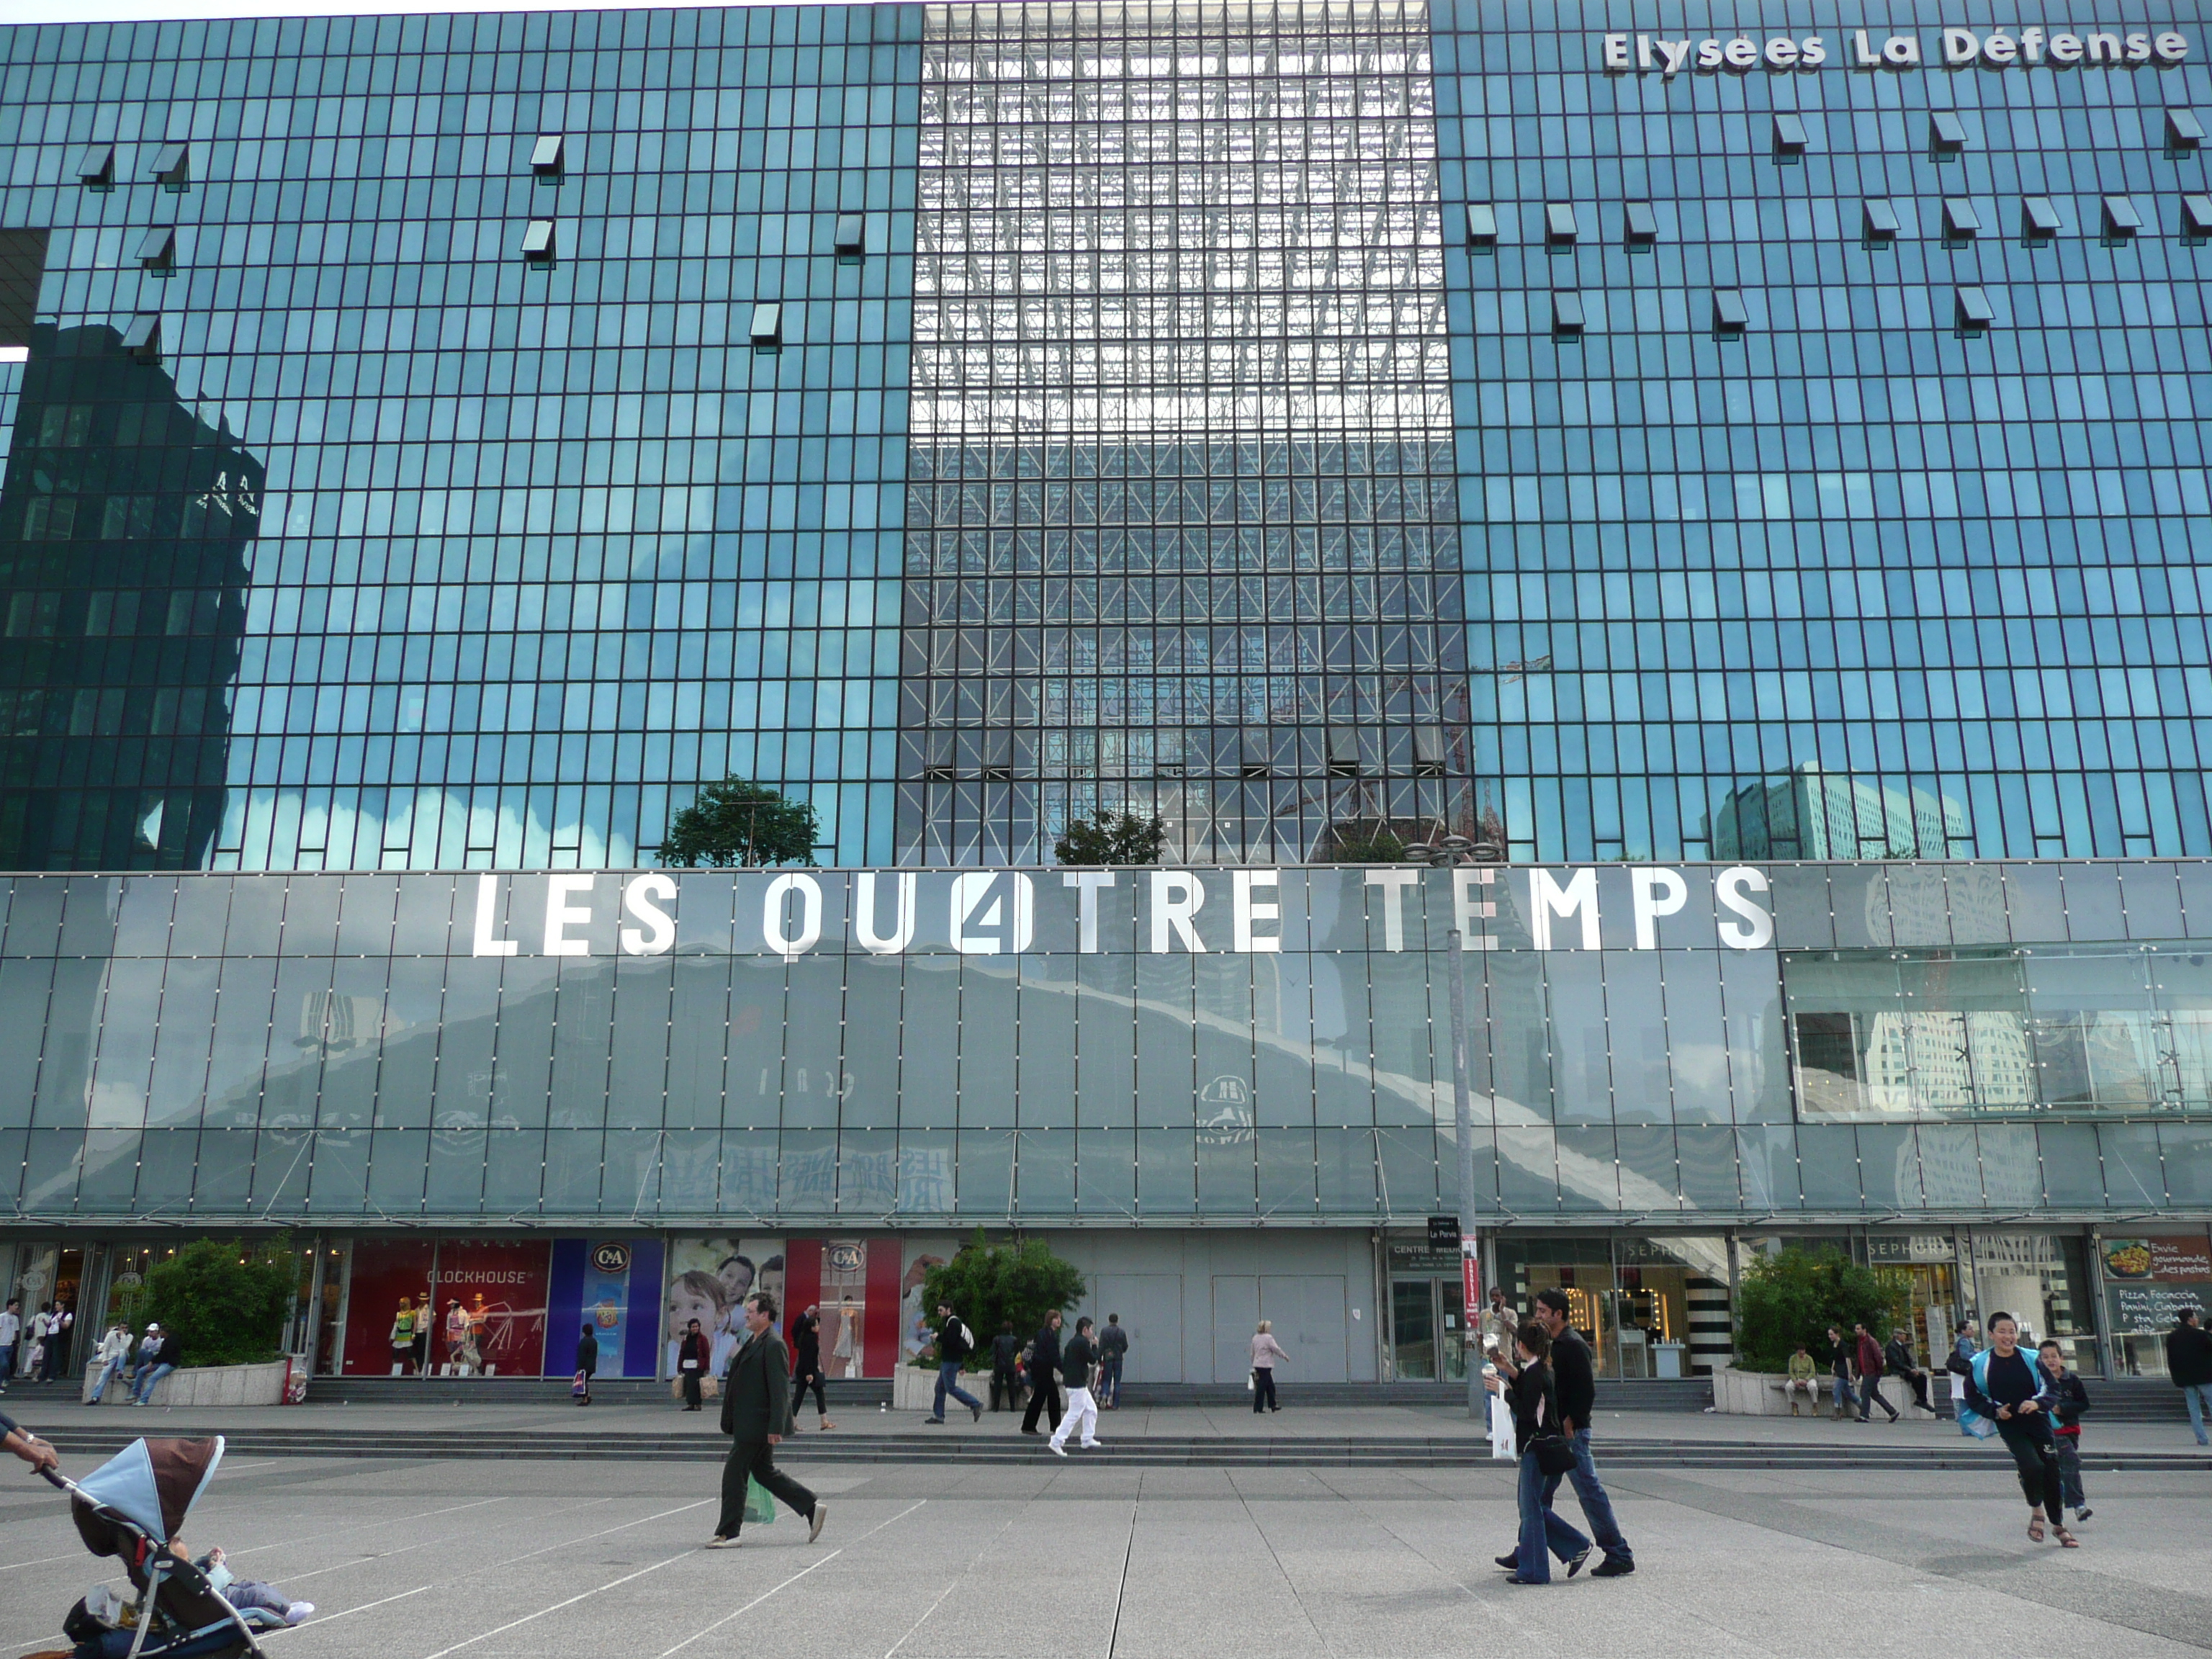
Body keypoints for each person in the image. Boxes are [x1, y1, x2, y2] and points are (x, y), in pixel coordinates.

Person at [1497, 1289, 1634, 1576]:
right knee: (1536, 1498)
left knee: (1587, 1492)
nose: (1538, 1316)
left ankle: (1618, 1552)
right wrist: (1511, 1370)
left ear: (1559, 1314)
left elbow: (1586, 1391)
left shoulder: (1572, 1345)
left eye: (1543, 1311)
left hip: (1571, 1435)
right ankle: (1527, 1551)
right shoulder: (1550, 1344)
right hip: (1553, 1434)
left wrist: (1572, 1421)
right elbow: (1538, 1386)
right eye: (1538, 1310)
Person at [710, 1291, 827, 1550]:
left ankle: (729, 1533)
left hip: (758, 1423)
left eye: (751, 1311)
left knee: (734, 1472)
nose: (747, 1315)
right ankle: (811, 1507)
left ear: (765, 1315)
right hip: (747, 1420)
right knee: (764, 1472)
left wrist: (776, 1426)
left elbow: (779, 1388)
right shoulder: (753, 1341)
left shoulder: (774, 1344)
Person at [1962, 1310, 2075, 1547]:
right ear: (1991, 1334)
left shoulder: (2032, 1358)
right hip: (2010, 1425)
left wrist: (2037, 1403)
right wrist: (1995, 1412)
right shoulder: (1980, 1364)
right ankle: (2037, 1511)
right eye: (2002, 1331)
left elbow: (2052, 1387)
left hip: (2039, 1422)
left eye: (2012, 1331)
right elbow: (1972, 1397)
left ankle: (2058, 1525)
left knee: (2052, 1471)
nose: (2008, 1336)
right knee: (2031, 1466)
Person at [1485, 1318, 1585, 1585]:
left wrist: (1504, 1391)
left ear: (1520, 1345)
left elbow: (1527, 1410)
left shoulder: (1537, 1372)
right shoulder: (1541, 1367)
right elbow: (1531, 1387)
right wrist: (1509, 1370)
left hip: (1537, 1447)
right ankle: (1574, 1547)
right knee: (1534, 1507)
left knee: (1530, 1510)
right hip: (1546, 1447)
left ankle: (1535, 1569)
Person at [177, 1543, 314, 1627]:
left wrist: (207, 1560)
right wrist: (218, 1567)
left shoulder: (172, 1576)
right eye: (185, 1560)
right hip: (214, 1602)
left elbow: (197, 1573)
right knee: (256, 1594)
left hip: (219, 1592)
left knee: (253, 1585)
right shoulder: (174, 1582)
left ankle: (284, 1605)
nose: (188, 1562)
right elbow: (207, 1586)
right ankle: (287, 1613)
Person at [2038, 1339, 2092, 1524]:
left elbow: (2084, 1404)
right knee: (2071, 1460)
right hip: (2049, 1432)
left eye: (2054, 1356)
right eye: (2045, 1357)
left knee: (2063, 1469)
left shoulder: (2072, 1380)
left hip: (2070, 1430)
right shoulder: (2037, 1381)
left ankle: (2054, 1503)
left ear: (2061, 1358)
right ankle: (2078, 1505)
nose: (2050, 1360)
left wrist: (2062, 1408)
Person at [1048, 1316, 1105, 1455]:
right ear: (1085, 1330)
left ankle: (1087, 1438)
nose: (1092, 1332)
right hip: (1077, 1384)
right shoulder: (1082, 1342)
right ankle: (1056, 1441)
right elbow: (1093, 1359)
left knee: (1091, 1409)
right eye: (1091, 1329)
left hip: (1075, 1383)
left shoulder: (1073, 1342)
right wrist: (1096, 1346)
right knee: (1074, 1413)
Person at [925, 1303, 984, 1424]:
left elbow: (950, 1342)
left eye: (941, 1310)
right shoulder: (951, 1322)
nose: (939, 1313)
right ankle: (938, 1416)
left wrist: (938, 1337)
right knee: (940, 1388)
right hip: (950, 1360)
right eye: (938, 1310)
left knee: (950, 1388)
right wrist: (961, 1365)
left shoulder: (953, 1323)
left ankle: (975, 1404)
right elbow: (957, 1344)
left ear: (948, 1310)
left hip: (950, 1361)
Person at [2164, 1307, 2212, 1446]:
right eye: (2196, 1317)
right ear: (2190, 1319)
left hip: (2185, 1378)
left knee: (2194, 1409)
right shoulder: (2201, 1335)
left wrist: (2176, 1378)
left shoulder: (2172, 1337)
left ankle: (2202, 1438)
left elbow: (2171, 1359)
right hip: (2205, 1377)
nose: (2197, 1319)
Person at [788, 1304, 835, 1431]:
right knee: (816, 1394)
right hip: (808, 1372)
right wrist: (810, 1372)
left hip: (805, 1371)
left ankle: (793, 1422)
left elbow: (808, 1357)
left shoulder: (806, 1337)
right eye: (816, 1325)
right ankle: (823, 1421)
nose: (818, 1327)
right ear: (812, 1327)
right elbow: (807, 1357)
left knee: (800, 1396)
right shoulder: (810, 1339)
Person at [1020, 1310, 1064, 1436]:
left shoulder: (1043, 1333)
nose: (1058, 1321)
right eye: (1056, 1318)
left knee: (1050, 1397)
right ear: (1050, 1320)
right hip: (1044, 1369)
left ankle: (1051, 1426)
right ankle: (1031, 1425)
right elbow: (1053, 1355)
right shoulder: (1050, 1335)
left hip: (1041, 1369)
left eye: (1059, 1318)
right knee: (1045, 1398)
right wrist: (1063, 1369)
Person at [1853, 1322, 1897, 1424]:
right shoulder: (1861, 1342)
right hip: (1867, 1372)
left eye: (1858, 1329)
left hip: (1872, 1372)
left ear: (1864, 1330)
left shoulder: (1871, 1341)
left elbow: (1878, 1356)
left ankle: (1864, 1415)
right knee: (1875, 1394)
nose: (1856, 1331)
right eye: (1856, 1329)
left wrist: (1879, 1371)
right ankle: (1892, 1412)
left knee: (1864, 1392)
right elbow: (1860, 1358)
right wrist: (1858, 1373)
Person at [1885, 1328, 1933, 1414]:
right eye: (1903, 1335)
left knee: (1922, 1377)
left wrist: (1914, 1369)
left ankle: (1922, 1400)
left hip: (1907, 1369)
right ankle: (1921, 1399)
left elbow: (1910, 1359)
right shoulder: (1891, 1346)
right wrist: (1910, 1370)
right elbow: (1896, 1362)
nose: (1905, 1337)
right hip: (1898, 1370)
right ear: (1898, 1336)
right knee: (1914, 1378)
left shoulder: (1903, 1346)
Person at [130, 1323, 179, 1406]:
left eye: (161, 1332)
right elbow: (161, 1354)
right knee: (141, 1371)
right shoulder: (166, 1341)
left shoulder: (171, 1342)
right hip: (161, 1362)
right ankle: (136, 1392)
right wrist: (153, 1362)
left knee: (152, 1379)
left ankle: (144, 1400)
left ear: (164, 1332)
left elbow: (164, 1355)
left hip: (169, 1364)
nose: (160, 1334)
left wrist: (153, 1362)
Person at [87, 1321, 133, 1405]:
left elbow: (125, 1347)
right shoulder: (111, 1335)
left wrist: (123, 1337)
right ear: (118, 1328)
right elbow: (106, 1348)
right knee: (104, 1375)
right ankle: (95, 1397)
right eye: (122, 1328)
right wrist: (104, 1360)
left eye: (126, 1328)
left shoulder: (129, 1336)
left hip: (123, 1356)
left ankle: (120, 1371)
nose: (124, 1330)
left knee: (122, 1351)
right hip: (112, 1357)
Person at [1249, 1319, 1289, 1413]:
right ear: (1266, 1328)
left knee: (1270, 1386)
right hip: (1266, 1365)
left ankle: (1273, 1405)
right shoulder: (1268, 1338)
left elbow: (1252, 1352)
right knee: (1262, 1387)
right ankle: (1258, 1407)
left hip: (1258, 1364)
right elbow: (1275, 1349)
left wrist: (1254, 1362)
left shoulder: (1255, 1338)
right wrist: (1284, 1356)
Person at [677, 1318, 711, 1411]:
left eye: (697, 1327)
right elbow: (682, 1353)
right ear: (690, 1328)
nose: (695, 1328)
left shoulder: (703, 1339)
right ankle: (690, 1404)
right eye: (693, 1327)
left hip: (698, 1365)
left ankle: (698, 1404)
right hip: (687, 1365)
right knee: (688, 1385)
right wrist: (679, 1366)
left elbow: (706, 1353)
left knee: (696, 1385)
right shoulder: (686, 1339)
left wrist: (707, 1367)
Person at [1097, 1313, 1129, 1410]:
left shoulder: (1104, 1331)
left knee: (1106, 1379)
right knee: (1117, 1382)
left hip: (1108, 1358)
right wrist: (1120, 1351)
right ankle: (1116, 1404)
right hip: (1118, 1358)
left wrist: (1099, 1358)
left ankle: (1105, 1394)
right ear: (1117, 1321)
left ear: (1109, 1320)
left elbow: (1101, 1346)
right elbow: (1125, 1346)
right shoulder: (1121, 1332)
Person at [1823, 1325, 1855, 1420]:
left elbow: (1847, 1359)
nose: (1830, 1336)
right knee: (1849, 1394)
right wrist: (1832, 1368)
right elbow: (1835, 1358)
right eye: (1829, 1335)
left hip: (1844, 1371)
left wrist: (1850, 1373)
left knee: (1836, 1390)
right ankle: (1862, 1406)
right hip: (1838, 1369)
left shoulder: (1843, 1345)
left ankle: (1838, 1412)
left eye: (1832, 1334)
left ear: (1837, 1334)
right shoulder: (1834, 1345)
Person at [990, 1321, 1022, 1413]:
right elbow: (1017, 1352)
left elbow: (992, 1351)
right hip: (1010, 1365)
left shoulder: (997, 1339)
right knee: (1011, 1386)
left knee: (997, 1386)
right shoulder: (1014, 1339)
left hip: (999, 1365)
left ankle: (996, 1407)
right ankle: (1012, 1407)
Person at [1478, 1287, 1519, 1361]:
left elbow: (1514, 1330)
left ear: (1502, 1298)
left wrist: (1502, 1311)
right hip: (1488, 1358)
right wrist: (1481, 1353)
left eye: (1497, 1296)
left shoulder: (1511, 1313)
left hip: (1505, 1357)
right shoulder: (1484, 1314)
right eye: (1492, 1296)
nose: (1494, 1298)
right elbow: (1480, 1335)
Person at [1783, 1344, 1819, 1416]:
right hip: (1797, 1378)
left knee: (1813, 1387)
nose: (1802, 1352)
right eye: (1800, 1351)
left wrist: (1806, 1379)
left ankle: (1815, 1405)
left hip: (1808, 1378)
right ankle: (1794, 1405)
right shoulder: (1793, 1359)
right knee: (1788, 1387)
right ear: (1797, 1351)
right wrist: (1795, 1380)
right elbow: (1791, 1371)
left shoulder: (1809, 1359)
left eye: (1803, 1350)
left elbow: (1812, 1372)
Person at [40, 1302, 71, 1382]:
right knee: (46, 1355)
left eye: (58, 1305)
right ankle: (43, 1374)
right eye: (56, 1305)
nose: (56, 1307)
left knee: (55, 1355)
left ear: (62, 1305)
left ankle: (52, 1375)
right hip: (50, 1334)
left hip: (58, 1336)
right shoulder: (54, 1314)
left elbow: (66, 1326)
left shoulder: (68, 1315)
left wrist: (60, 1320)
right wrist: (44, 1322)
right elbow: (49, 1325)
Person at [390, 1297, 417, 1376]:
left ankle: (417, 1370)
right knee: (395, 1354)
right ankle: (393, 1370)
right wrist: (392, 1335)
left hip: (407, 1334)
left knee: (411, 1353)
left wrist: (413, 1334)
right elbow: (396, 1324)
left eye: (402, 1303)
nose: (401, 1305)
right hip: (399, 1334)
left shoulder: (412, 1312)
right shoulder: (399, 1314)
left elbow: (415, 1324)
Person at [574, 1321, 598, 1406]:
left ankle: (585, 1399)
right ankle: (588, 1396)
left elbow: (582, 1355)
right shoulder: (594, 1341)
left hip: (585, 1366)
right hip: (592, 1365)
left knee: (583, 1382)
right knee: (585, 1381)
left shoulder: (584, 1341)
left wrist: (579, 1367)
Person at [0, 1296, 19, 1390]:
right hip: (2, 1344)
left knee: (8, 1364)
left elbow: (15, 1331)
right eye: (15, 1305)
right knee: (4, 1364)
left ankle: (5, 1379)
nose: (17, 1307)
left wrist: (14, 1343)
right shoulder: (2, 1317)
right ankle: (2, 1380)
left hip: (10, 1345)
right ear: (10, 1306)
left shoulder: (15, 1318)